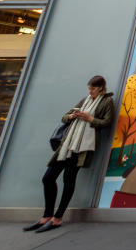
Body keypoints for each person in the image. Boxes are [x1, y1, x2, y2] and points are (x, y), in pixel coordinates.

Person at [24, 75, 114, 233]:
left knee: (68, 180)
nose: (90, 91)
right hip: (67, 145)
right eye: (89, 88)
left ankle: (57, 218)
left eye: (93, 88)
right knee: (48, 178)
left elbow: (107, 122)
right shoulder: (84, 100)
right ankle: (46, 216)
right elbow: (64, 117)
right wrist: (72, 116)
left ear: (100, 87)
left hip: (82, 148)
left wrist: (90, 118)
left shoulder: (107, 102)